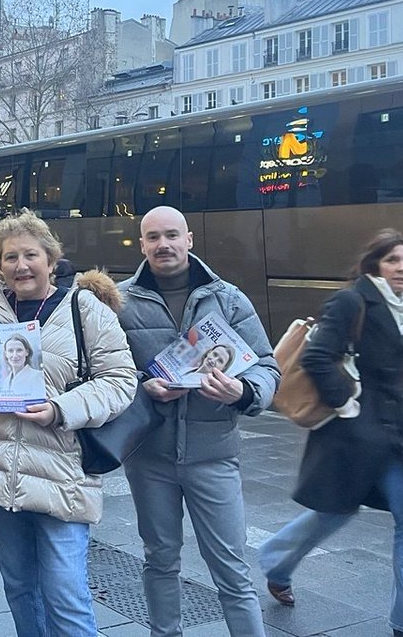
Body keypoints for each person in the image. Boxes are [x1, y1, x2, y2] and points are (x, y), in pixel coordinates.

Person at [0, 210, 137, 637]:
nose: (20, 265)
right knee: (19, 589)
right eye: (10, 257)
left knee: (65, 595)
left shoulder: (83, 307)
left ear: (51, 261)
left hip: (60, 473)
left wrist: (61, 408)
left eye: (30, 255)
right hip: (2, 473)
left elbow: (122, 381)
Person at [259, 230, 403, 637]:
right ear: (375, 263)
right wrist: (345, 404)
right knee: (333, 511)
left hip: (397, 437)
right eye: (394, 260)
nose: (402, 269)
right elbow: (319, 357)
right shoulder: (351, 300)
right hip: (353, 433)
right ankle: (276, 561)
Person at [116, 206, 280, 637]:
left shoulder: (227, 298)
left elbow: (267, 366)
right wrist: (142, 385)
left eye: (172, 235)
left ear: (189, 239)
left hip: (213, 454)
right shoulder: (120, 301)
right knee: (160, 558)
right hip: (149, 455)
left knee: (231, 567)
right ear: (141, 243)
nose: (163, 244)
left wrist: (243, 392)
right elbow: (101, 374)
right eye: (153, 237)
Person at [0, 334, 46, 398]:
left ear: (27, 352)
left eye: (19, 350)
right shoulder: (6, 381)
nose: (15, 355)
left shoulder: (37, 376)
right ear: (6, 354)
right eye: (10, 351)